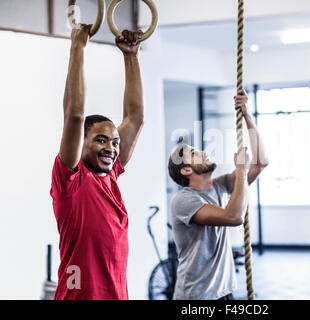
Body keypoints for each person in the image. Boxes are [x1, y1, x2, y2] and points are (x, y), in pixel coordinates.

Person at [50, 25, 145, 300]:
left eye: (115, 142)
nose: (111, 149)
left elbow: (135, 117)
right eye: (101, 140)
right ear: (81, 142)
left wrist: (131, 56)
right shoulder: (70, 180)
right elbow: (75, 114)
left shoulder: (112, 176)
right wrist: (78, 47)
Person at [167, 89, 269, 300]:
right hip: (196, 297)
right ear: (186, 170)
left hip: (223, 292)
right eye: (195, 154)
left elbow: (261, 163)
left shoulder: (219, 185)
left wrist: (247, 115)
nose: (204, 152)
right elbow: (234, 217)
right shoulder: (184, 200)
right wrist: (240, 170)